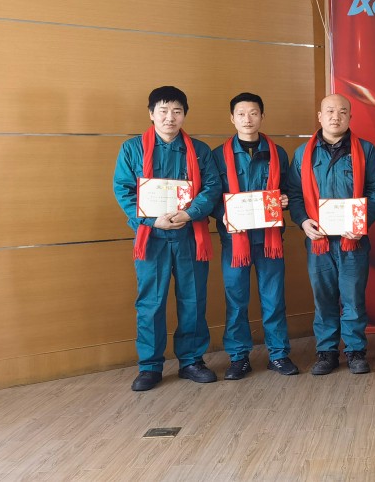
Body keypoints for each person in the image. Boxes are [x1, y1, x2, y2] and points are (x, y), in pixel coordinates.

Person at [112, 86, 222, 391]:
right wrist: (151, 220)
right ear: (151, 114)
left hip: (189, 235)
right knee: (151, 301)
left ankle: (192, 361)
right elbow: (123, 189)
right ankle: (150, 366)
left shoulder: (199, 150)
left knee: (193, 299)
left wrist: (189, 213)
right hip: (152, 237)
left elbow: (212, 187)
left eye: (176, 111)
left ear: (184, 115)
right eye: (163, 110)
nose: (169, 117)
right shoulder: (132, 149)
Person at [284, 93, 375, 376]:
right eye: (329, 111)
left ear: (350, 116)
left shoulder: (366, 150)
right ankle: (326, 352)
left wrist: (362, 222)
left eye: (342, 111)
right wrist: (303, 221)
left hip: (354, 241)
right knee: (324, 298)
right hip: (319, 241)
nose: (335, 116)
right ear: (320, 116)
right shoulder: (303, 153)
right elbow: (294, 194)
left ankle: (355, 351)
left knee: (353, 298)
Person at [212, 92, 298, 379]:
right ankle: (238, 358)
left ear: (262, 116)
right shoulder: (218, 155)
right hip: (234, 241)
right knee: (236, 300)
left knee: (273, 299)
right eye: (241, 114)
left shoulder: (277, 153)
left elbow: (287, 189)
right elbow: (211, 195)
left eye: (253, 113)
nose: (247, 119)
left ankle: (278, 354)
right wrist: (221, 213)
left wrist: (284, 200)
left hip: (269, 240)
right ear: (232, 118)